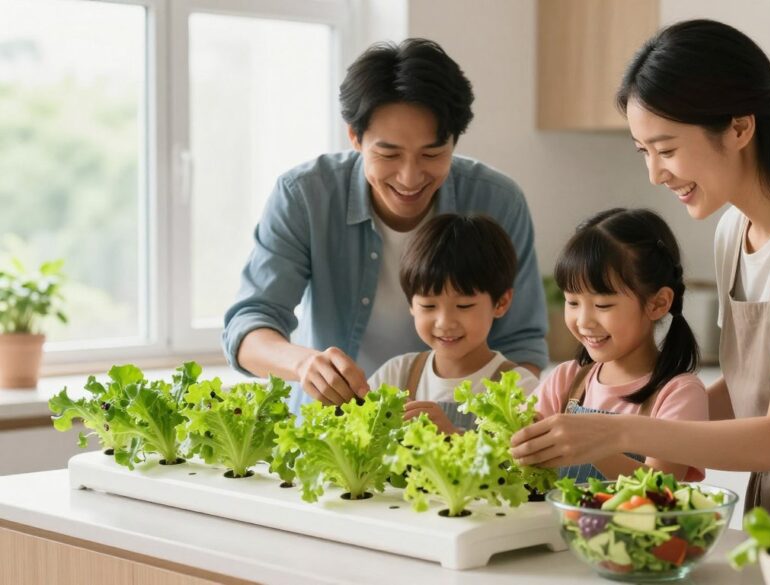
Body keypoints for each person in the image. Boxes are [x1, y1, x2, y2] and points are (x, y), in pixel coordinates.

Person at [511, 19, 770, 512]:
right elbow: (746, 390)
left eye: (666, 149)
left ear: (739, 127)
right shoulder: (734, 231)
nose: (654, 173)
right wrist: (635, 409)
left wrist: (618, 430)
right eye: (643, 152)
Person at [222, 39, 547, 415]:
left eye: (432, 154)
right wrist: (303, 364)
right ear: (355, 138)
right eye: (388, 154)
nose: (410, 178)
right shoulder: (305, 196)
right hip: (333, 429)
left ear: (455, 141)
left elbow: (522, 343)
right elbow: (248, 325)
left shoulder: (497, 201)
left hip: (457, 436)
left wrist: (472, 427)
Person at [533, 208, 707, 483]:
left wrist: (592, 447)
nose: (584, 321)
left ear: (658, 303)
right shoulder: (565, 381)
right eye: (573, 302)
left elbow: (662, 489)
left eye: (603, 305)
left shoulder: (678, 393)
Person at [367, 213, 539, 433]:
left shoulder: (521, 389)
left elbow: (521, 466)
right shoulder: (397, 374)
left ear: (501, 303)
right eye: (429, 306)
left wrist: (454, 437)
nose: (445, 322)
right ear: (410, 303)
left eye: (464, 306)